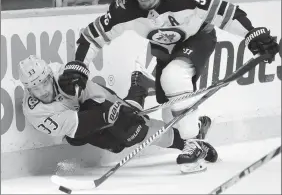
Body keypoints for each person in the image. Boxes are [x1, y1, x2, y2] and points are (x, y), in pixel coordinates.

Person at [58, 0, 279, 173]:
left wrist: (251, 33)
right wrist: (78, 65)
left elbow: (225, 13)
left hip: (198, 37)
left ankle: (194, 144)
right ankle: (196, 128)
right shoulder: (125, 6)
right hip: (166, 49)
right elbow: (92, 37)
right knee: (170, 116)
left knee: (174, 78)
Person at [18, 55, 218, 172]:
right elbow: (77, 127)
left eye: (44, 82)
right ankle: (139, 86)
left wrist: (118, 110)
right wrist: (109, 116)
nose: (43, 91)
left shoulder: (64, 77)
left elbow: (98, 94)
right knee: (119, 144)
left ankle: (190, 142)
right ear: (28, 89)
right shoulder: (34, 110)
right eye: (35, 88)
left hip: (97, 102)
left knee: (134, 129)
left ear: (49, 76)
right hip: (80, 126)